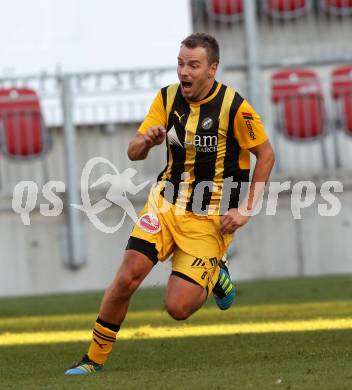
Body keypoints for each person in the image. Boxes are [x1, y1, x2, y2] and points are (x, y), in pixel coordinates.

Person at [65, 32, 275, 375]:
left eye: (193, 65)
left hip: (209, 220)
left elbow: (265, 155)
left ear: (212, 69)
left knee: (177, 308)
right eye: (180, 64)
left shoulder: (234, 107)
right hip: (164, 206)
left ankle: (215, 273)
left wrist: (246, 209)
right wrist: (146, 141)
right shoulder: (166, 98)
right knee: (127, 276)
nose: (184, 72)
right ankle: (93, 360)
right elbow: (132, 151)